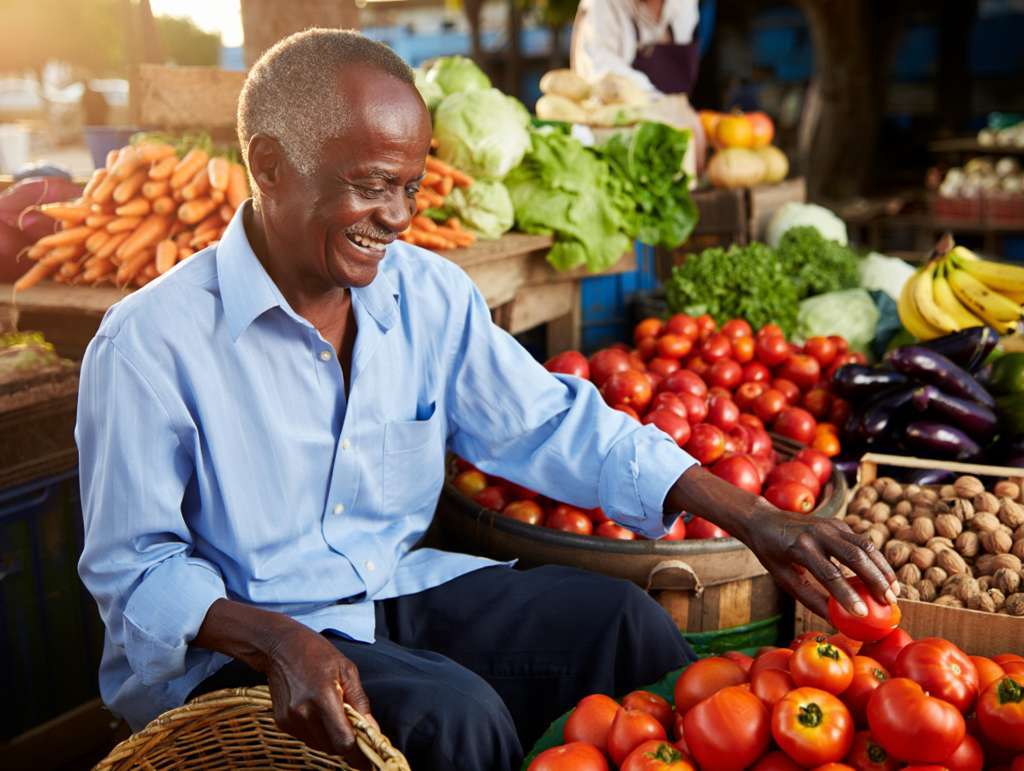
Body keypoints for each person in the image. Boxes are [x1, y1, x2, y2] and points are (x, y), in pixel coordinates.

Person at [77, 29, 896, 770]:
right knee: (455, 720)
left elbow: (548, 420)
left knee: (626, 625)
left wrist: (753, 516)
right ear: (270, 165)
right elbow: (133, 570)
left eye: (411, 186)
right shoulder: (150, 342)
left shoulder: (425, 294)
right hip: (240, 648)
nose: (395, 218)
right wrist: (278, 637)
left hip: (388, 593)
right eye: (370, 186)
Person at [571, 0, 702, 97]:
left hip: (672, 121)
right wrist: (658, 102)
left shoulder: (685, 4)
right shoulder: (600, 5)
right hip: (615, 127)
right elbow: (599, 70)